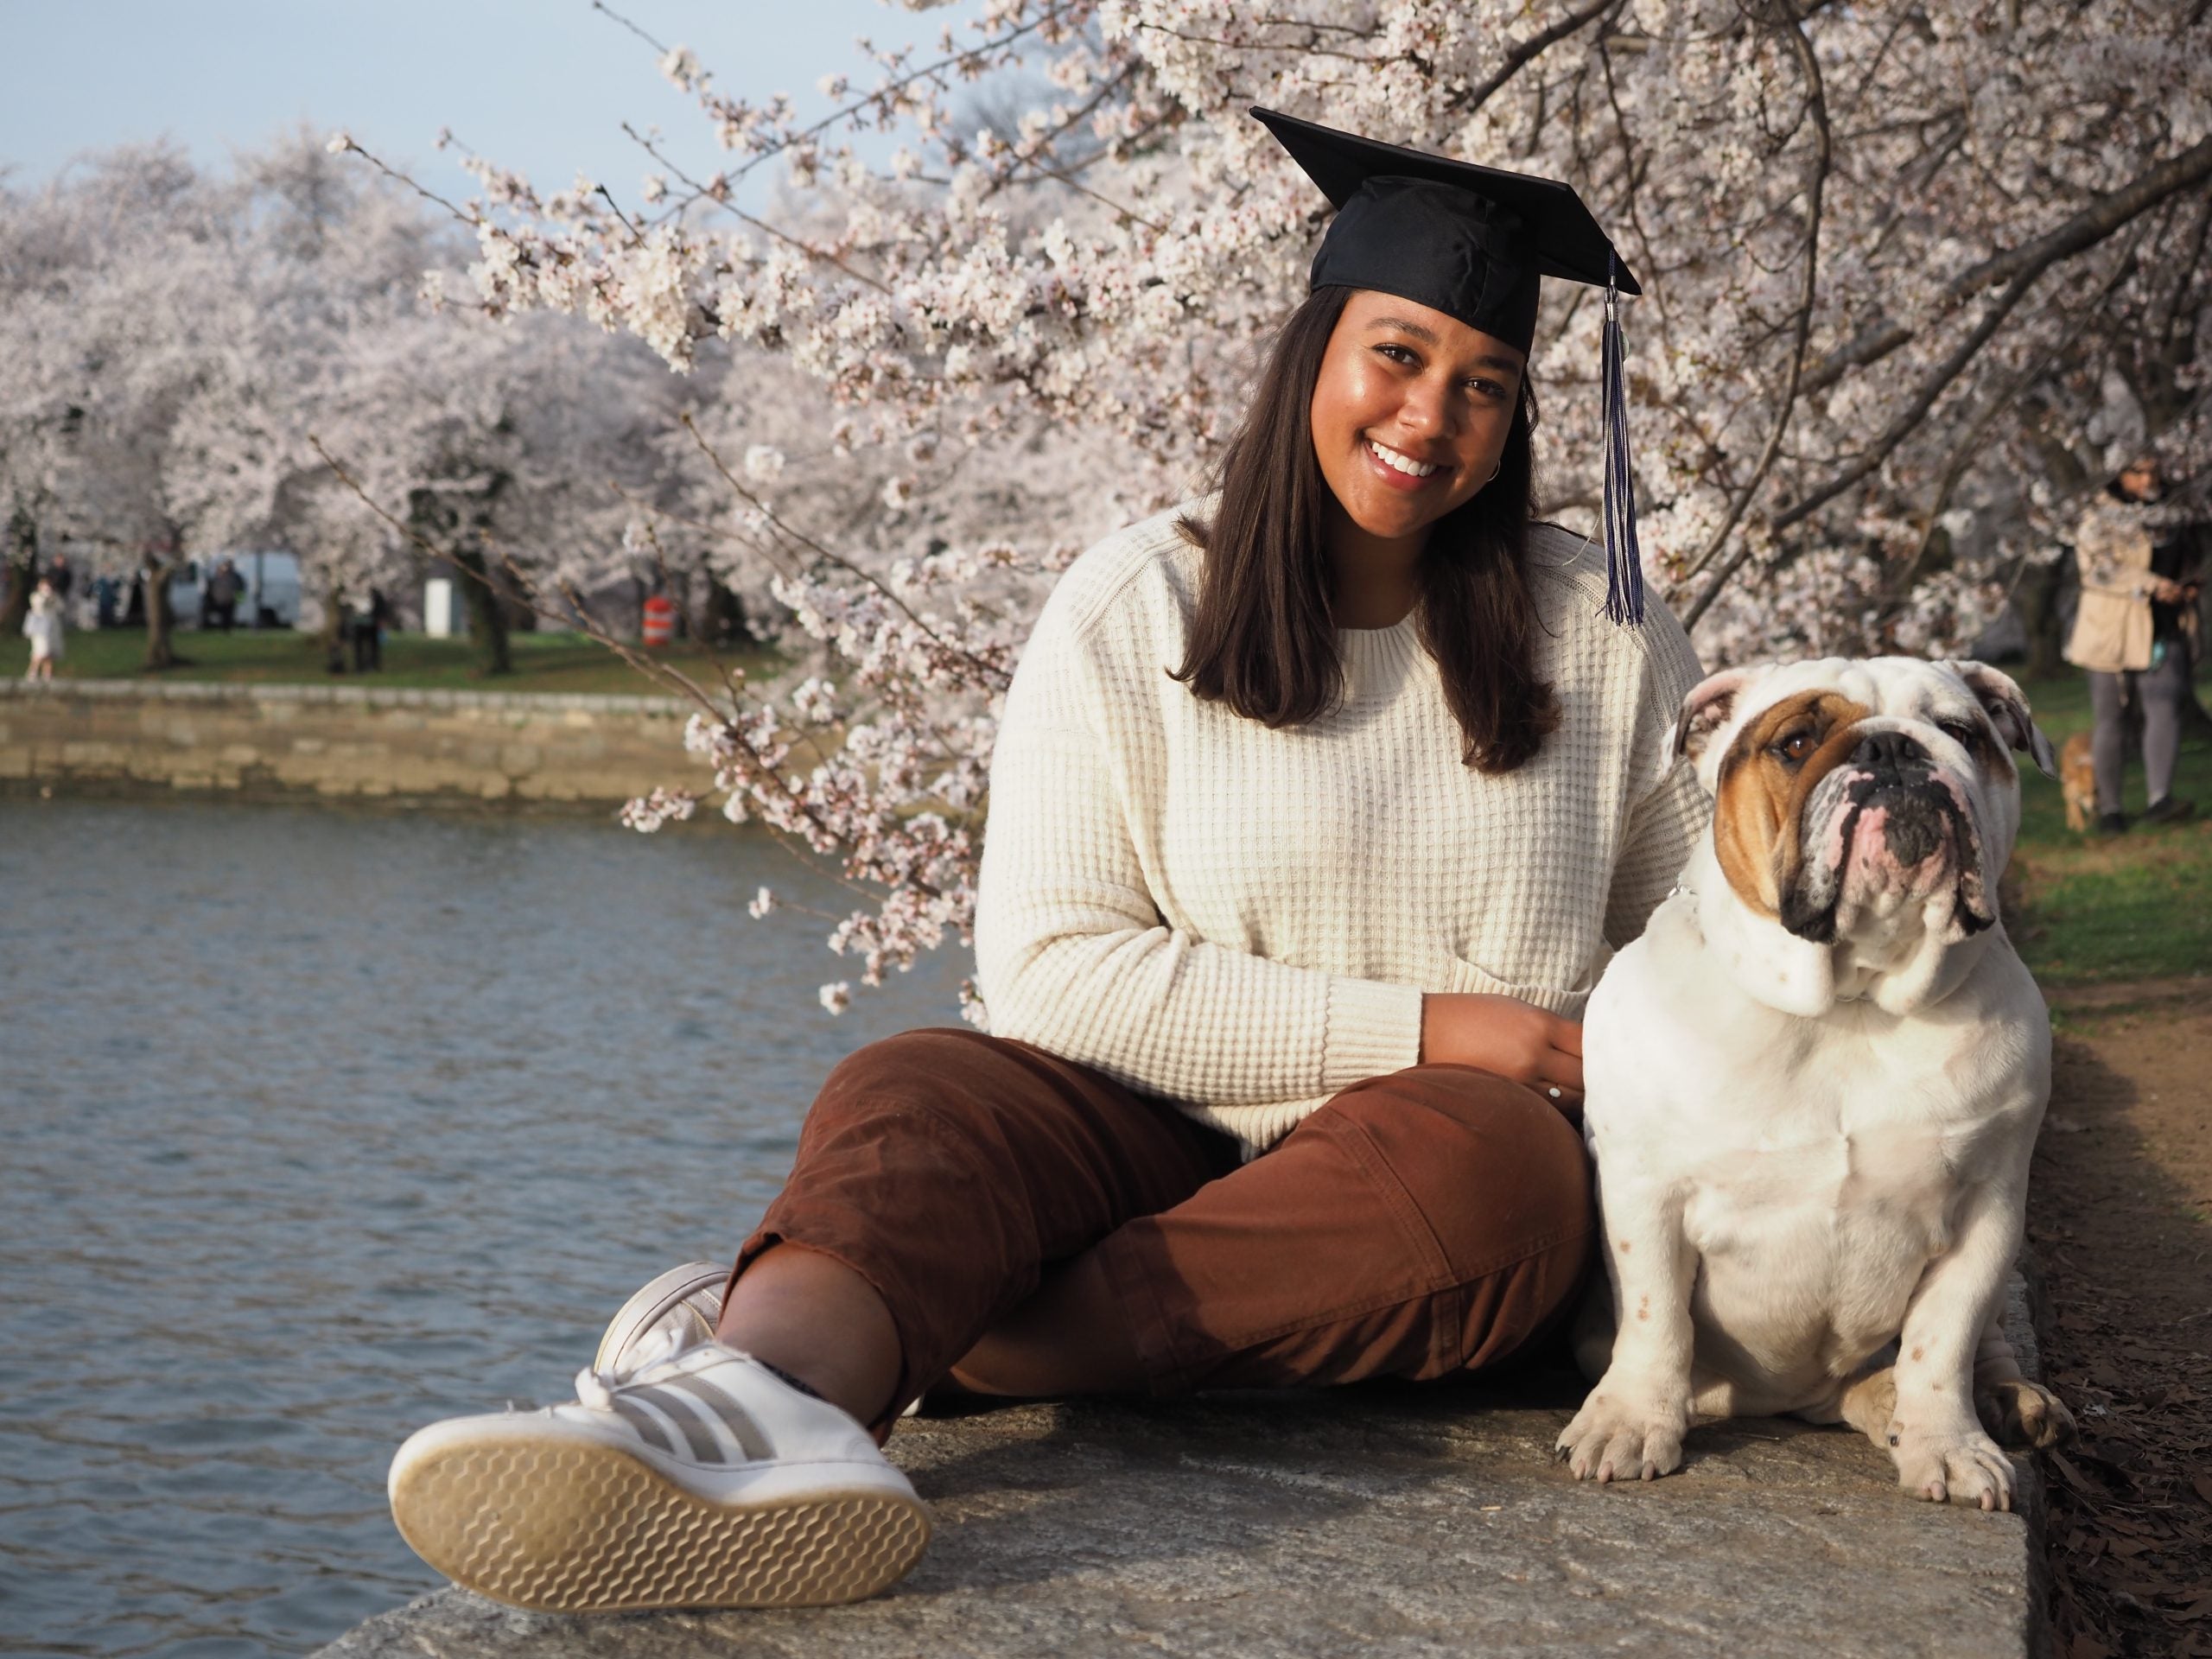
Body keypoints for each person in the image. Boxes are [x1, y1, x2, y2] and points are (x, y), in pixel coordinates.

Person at [385, 110, 1710, 1615]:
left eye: (1484, 387)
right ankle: (729, 1404)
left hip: (1409, 1187)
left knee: (1505, 1176)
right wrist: (1441, 1024)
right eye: (1397, 356)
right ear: (1315, 353)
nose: (1432, 418)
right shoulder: (1141, 601)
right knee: (917, 1089)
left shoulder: (1599, 637)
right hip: (1137, 1128)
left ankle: (901, 1348)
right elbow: (1054, 973)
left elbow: (1711, 953)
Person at [2065, 457, 2202, 831]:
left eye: (2154, 471)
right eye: (2138, 472)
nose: (2148, 479)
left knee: (2166, 706)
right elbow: (2098, 570)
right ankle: (2110, 809)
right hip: (2112, 630)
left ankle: (2161, 798)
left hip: (2165, 626)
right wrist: (2153, 583)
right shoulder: (2099, 515)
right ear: (2119, 474)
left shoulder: (2175, 509)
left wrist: (2189, 583)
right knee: (2112, 718)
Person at [22, 577, 64, 681]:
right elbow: (39, 606)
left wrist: (53, 598)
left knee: (49, 652)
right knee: (40, 651)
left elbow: (61, 608)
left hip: (52, 628)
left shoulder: (54, 596)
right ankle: (32, 672)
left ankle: (47, 674)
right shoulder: (36, 596)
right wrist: (45, 596)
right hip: (40, 627)